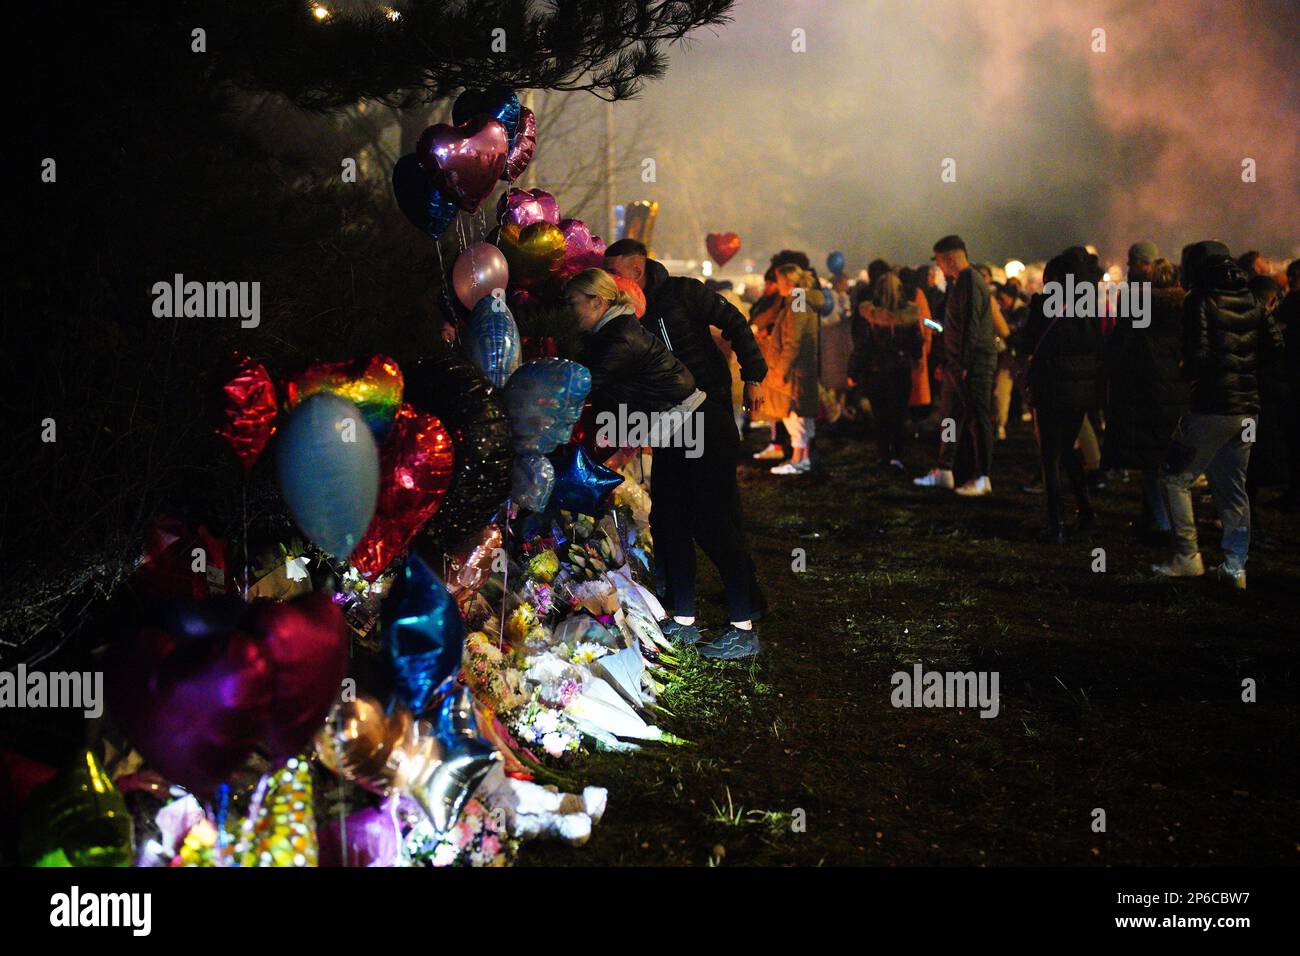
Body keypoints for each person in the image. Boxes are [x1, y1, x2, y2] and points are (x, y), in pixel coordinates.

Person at [600, 244, 769, 655]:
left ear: (637, 271)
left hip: (704, 414)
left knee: (715, 515)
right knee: (670, 516)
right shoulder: (625, 321)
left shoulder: (683, 293)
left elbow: (733, 321)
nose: (611, 286)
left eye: (617, 276)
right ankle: (684, 615)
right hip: (669, 423)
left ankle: (746, 614)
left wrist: (753, 375)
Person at [1152, 242, 1285, 589]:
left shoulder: (1201, 299)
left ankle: (1187, 556)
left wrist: (1191, 372)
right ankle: (1235, 567)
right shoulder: (1252, 298)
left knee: (1174, 477)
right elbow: (1275, 347)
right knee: (1233, 487)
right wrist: (1247, 372)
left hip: (1212, 406)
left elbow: (1197, 353)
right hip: (1247, 411)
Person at [1104, 255, 1190, 544]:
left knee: (1151, 465)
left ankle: (1163, 523)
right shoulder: (1186, 310)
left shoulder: (1135, 310)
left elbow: (1117, 350)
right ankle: (1179, 525)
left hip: (1143, 394)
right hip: (1178, 395)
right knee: (1175, 465)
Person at [1021, 247, 1104, 542]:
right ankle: (1086, 512)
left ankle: (1055, 523)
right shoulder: (1091, 307)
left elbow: (1028, 342)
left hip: (1051, 388)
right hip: (1081, 392)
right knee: (1068, 451)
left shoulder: (1045, 306)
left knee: (1049, 457)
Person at [914, 234, 998, 495]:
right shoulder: (959, 282)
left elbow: (970, 326)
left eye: (939, 260)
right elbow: (952, 326)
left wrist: (962, 362)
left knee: (977, 419)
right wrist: (945, 357)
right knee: (949, 417)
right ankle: (945, 470)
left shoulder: (970, 282)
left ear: (950, 257)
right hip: (957, 363)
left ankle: (983, 476)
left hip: (974, 364)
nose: (938, 266)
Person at [750, 264, 822, 474]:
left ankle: (798, 460)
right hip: (800, 369)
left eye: (779, 280)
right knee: (802, 417)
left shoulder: (798, 301)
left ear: (788, 282)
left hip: (794, 372)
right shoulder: (799, 299)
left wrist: (781, 370)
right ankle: (803, 458)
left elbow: (793, 340)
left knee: (794, 415)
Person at [850, 271, 922, 471]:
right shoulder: (910, 315)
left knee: (880, 416)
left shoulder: (868, 314)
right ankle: (897, 456)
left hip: (877, 371)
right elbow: (917, 342)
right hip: (901, 370)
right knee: (898, 415)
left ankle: (884, 455)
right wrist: (915, 359)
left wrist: (853, 370)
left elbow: (862, 345)